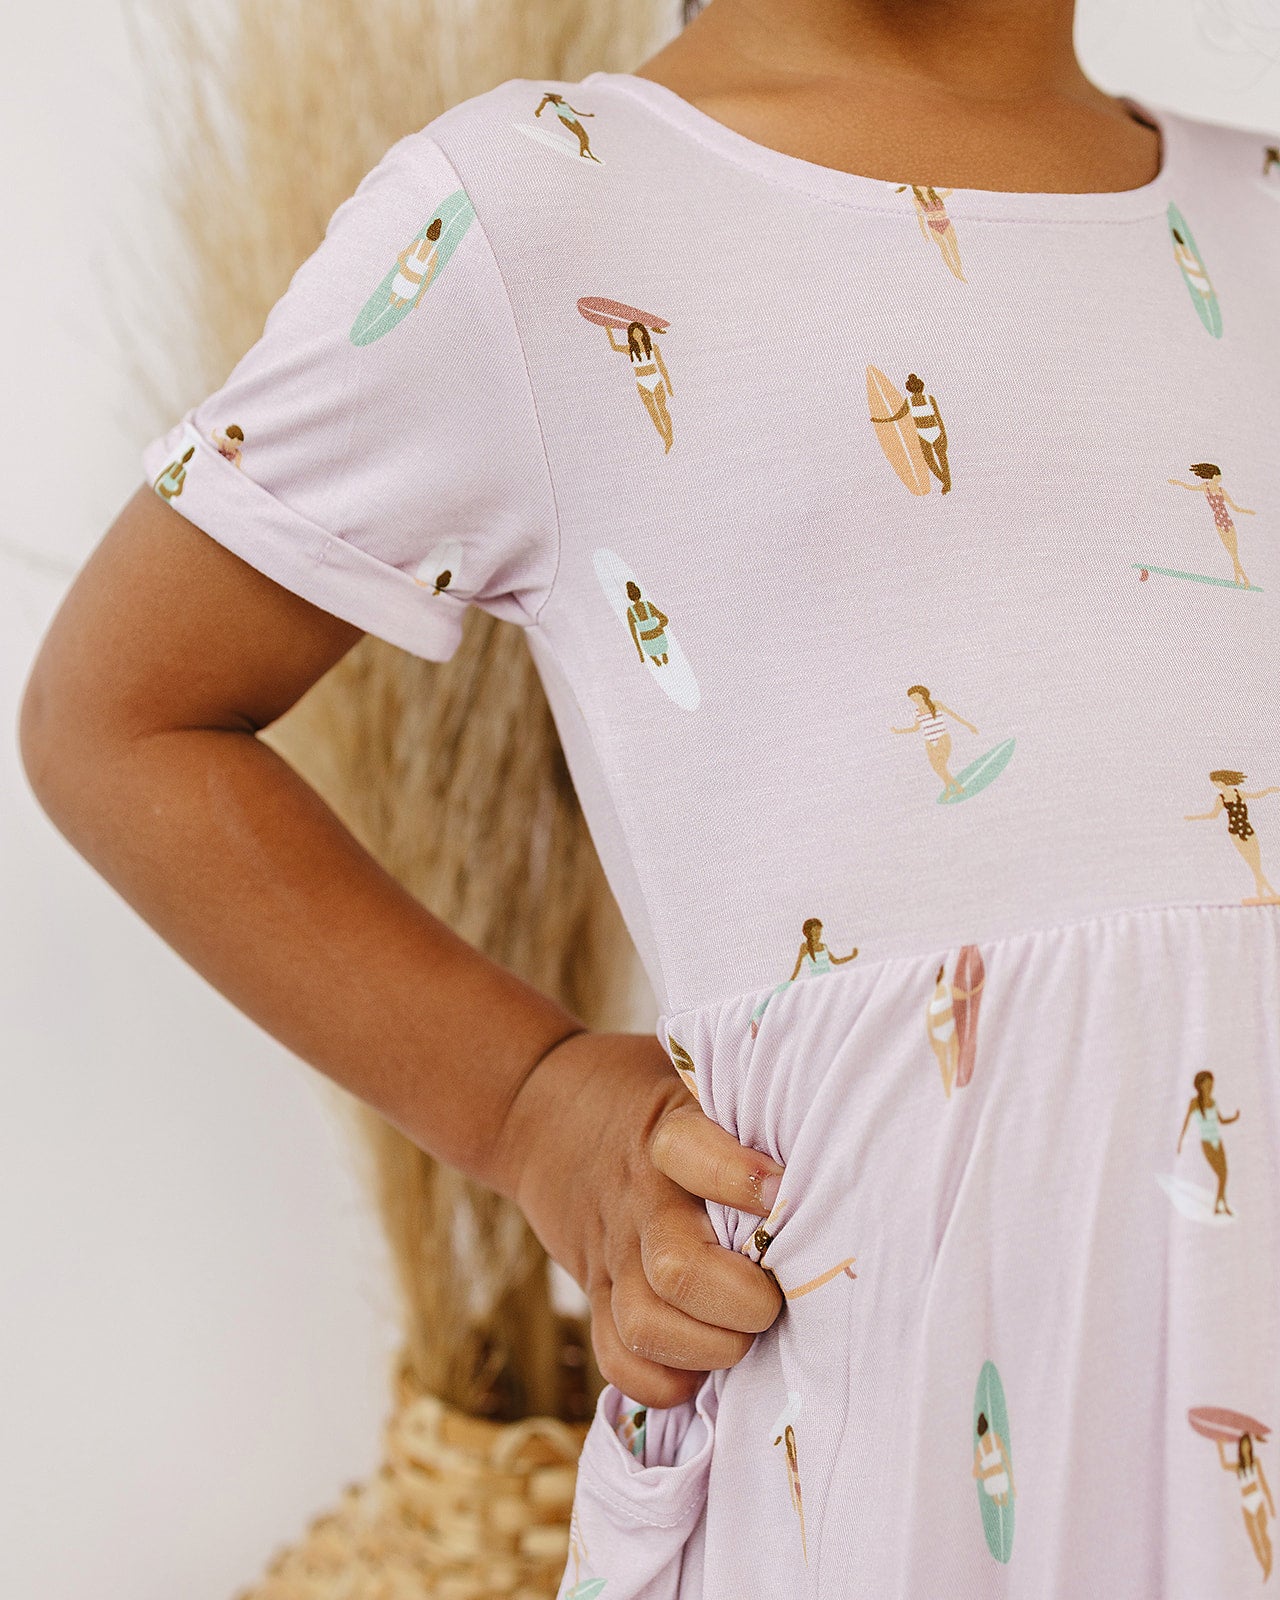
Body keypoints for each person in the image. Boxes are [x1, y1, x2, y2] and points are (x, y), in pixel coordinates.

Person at [17, 0, 1280, 1594]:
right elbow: (120, 715)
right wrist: (531, 1104)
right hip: (910, 1415)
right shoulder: (543, 211)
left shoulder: (1258, 211)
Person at [1176, 1069, 1240, 1214]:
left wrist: (1234, 1118)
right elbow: (1186, 1122)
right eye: (1207, 1084)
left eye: (1212, 1084)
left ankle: (1220, 1205)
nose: (1210, 1087)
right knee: (1221, 1174)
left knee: (1224, 1174)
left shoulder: (1213, 1102)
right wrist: (1180, 1141)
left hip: (1218, 1141)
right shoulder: (1194, 1103)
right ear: (1200, 1085)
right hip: (1207, 1143)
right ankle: (1220, 1205)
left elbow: (1221, 1121)